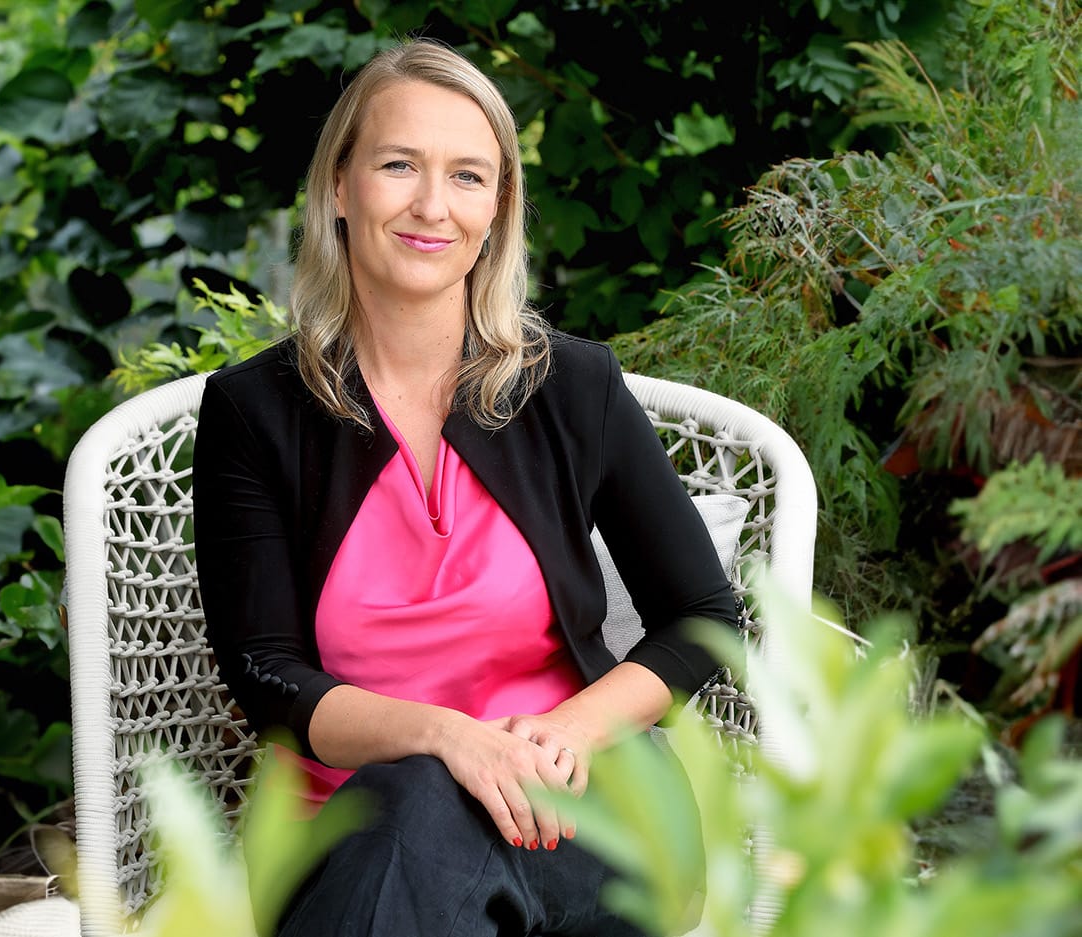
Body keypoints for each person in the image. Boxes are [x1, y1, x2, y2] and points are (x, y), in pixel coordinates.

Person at [193, 38, 737, 937]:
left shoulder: (573, 388)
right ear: (339, 185)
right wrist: (446, 737)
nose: (431, 206)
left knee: (427, 821)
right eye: (399, 165)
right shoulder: (255, 413)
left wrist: (564, 732)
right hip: (344, 833)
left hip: (585, 819)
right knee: (416, 802)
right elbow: (266, 676)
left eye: (468, 177)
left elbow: (705, 615)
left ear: (498, 209)